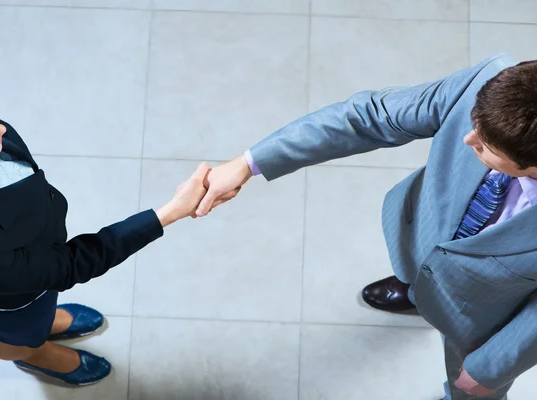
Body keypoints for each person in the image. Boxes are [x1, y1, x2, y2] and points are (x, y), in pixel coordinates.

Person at [196, 54, 537, 400]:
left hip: (482, 316)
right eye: (474, 123)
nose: (467, 139)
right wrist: (247, 163)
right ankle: (418, 294)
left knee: (470, 390)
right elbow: (371, 117)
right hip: (419, 238)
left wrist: (491, 369)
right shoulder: (489, 83)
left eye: (485, 146)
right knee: (418, 277)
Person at [0, 81, 216, 385]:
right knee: (13, 333)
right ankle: (33, 353)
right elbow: (71, 264)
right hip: (12, 298)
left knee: (40, 310)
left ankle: (44, 321)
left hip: (32, 264)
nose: (0, 130)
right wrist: (172, 211)